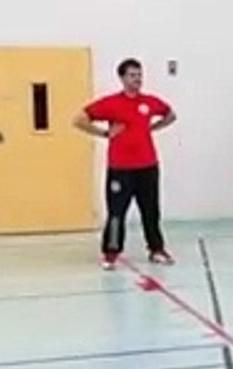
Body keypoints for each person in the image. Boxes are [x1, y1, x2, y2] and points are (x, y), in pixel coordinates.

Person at [74, 58, 177, 269]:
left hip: (147, 166)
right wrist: (104, 133)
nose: (137, 79)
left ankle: (156, 249)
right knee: (116, 212)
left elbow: (170, 115)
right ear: (122, 78)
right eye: (132, 75)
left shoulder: (149, 102)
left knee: (151, 210)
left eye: (139, 75)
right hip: (120, 169)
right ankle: (111, 252)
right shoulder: (111, 104)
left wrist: (153, 128)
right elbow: (79, 119)